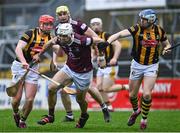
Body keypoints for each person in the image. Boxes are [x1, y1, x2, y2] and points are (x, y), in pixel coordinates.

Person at [107, 9, 171, 130]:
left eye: (144, 19)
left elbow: (166, 44)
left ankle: (144, 119)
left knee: (147, 94)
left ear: (151, 20)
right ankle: (136, 111)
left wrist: (167, 48)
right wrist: (108, 42)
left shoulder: (159, 31)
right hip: (137, 64)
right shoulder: (137, 28)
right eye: (141, 18)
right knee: (132, 95)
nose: (141, 21)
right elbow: (120, 34)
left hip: (152, 65)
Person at [36, 23, 107, 128]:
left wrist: (101, 57)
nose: (62, 38)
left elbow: (101, 41)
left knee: (80, 100)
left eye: (65, 36)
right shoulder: (59, 38)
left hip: (84, 72)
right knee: (51, 88)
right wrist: (39, 54)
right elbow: (50, 43)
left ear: (71, 34)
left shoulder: (82, 40)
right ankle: (51, 116)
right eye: (60, 35)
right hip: (69, 68)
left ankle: (84, 115)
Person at [53, 5, 110, 122]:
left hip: (84, 64)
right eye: (60, 14)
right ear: (57, 16)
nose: (62, 16)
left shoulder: (78, 25)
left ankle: (104, 107)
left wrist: (100, 56)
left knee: (89, 88)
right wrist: (54, 60)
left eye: (64, 13)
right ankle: (69, 115)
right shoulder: (57, 29)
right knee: (63, 90)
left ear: (69, 14)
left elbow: (95, 38)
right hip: (70, 64)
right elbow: (58, 46)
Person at [10, 14, 55, 128]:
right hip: (20, 66)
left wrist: (51, 60)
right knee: (16, 100)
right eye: (47, 24)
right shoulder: (30, 33)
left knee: (30, 99)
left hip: (33, 68)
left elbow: (55, 48)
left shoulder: (50, 37)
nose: (49, 27)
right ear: (41, 24)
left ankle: (22, 120)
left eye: (51, 24)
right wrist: (24, 62)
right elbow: (18, 48)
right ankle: (15, 113)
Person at [90, 17, 129, 111]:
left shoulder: (106, 35)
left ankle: (128, 87)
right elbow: (93, 51)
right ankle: (109, 106)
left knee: (106, 88)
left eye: (97, 24)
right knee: (99, 88)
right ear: (90, 26)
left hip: (110, 66)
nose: (95, 26)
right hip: (100, 67)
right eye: (93, 25)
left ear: (101, 25)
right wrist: (93, 58)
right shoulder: (92, 38)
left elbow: (118, 45)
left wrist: (115, 58)